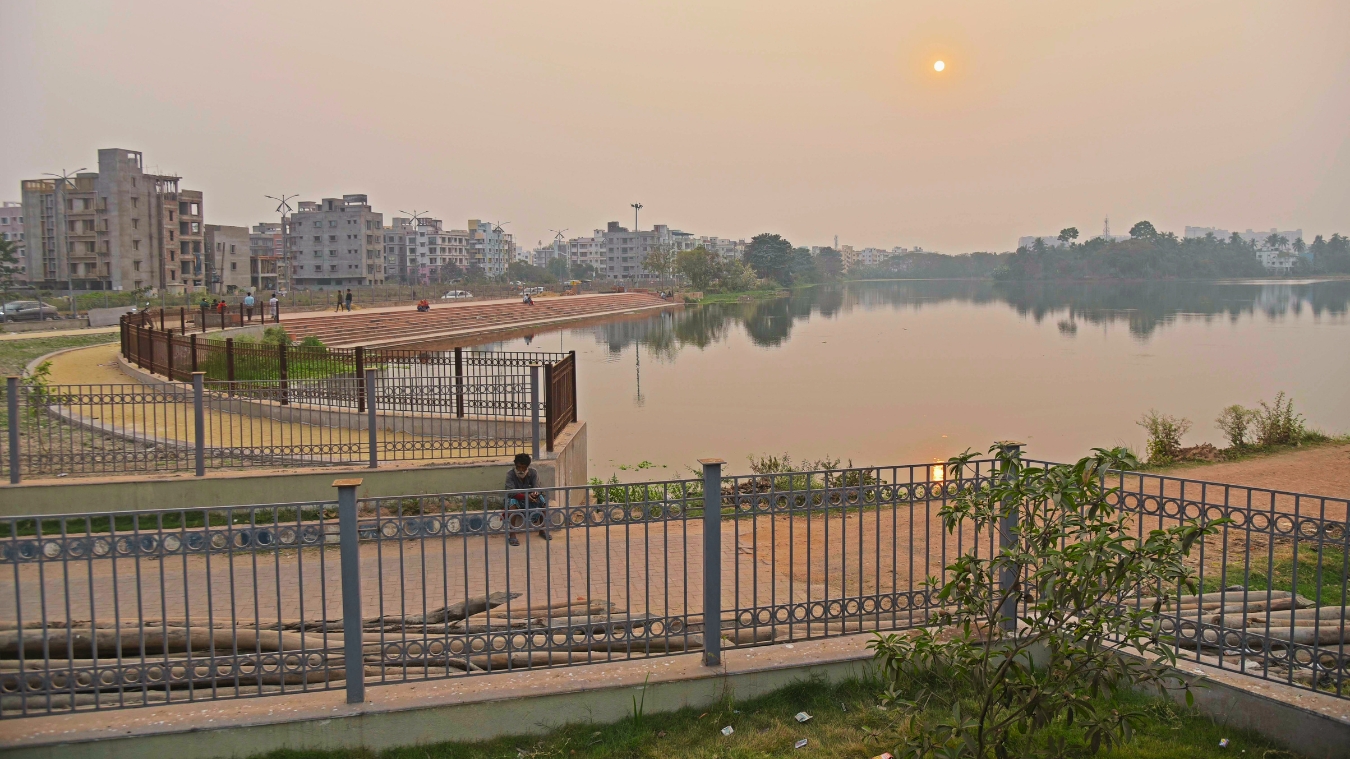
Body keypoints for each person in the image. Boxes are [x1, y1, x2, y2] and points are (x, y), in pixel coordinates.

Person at [504, 453, 551, 546]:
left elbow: (537, 487)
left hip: (531, 498)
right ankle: (512, 534)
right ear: (515, 465)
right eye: (518, 467)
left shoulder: (533, 472)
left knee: (543, 501)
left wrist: (535, 494)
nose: (521, 470)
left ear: (527, 467)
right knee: (512, 504)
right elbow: (510, 491)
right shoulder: (510, 474)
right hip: (516, 498)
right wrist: (525, 496)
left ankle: (542, 530)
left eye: (523, 467)